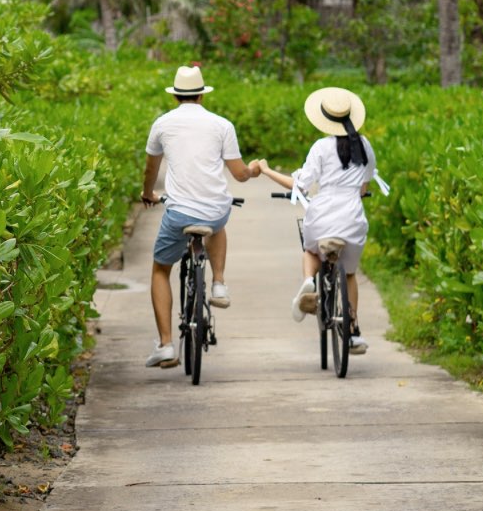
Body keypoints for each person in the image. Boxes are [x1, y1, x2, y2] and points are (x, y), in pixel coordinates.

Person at [138, 64, 263, 368]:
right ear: (202, 96)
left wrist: (148, 195)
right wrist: (253, 171)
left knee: (160, 270)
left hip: (179, 212)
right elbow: (239, 173)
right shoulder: (222, 125)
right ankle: (219, 282)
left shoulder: (162, 124)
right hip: (214, 209)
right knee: (219, 218)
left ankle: (166, 344)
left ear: (176, 96)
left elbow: (151, 170)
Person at [252, 86, 375, 355]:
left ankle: (309, 280)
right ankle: (353, 330)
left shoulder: (321, 147)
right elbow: (364, 186)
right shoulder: (364, 146)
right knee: (350, 273)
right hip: (353, 218)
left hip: (323, 215)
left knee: (310, 249)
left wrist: (266, 170)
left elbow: (300, 185)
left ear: (325, 119)